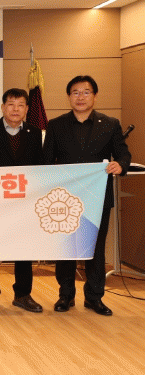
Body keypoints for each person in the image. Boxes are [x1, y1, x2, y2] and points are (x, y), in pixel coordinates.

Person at [43, 75, 130, 316]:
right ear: (69, 96)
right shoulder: (56, 125)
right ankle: (65, 295)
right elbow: (46, 160)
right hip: (64, 200)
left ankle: (94, 297)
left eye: (86, 92)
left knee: (96, 248)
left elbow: (123, 155)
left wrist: (120, 165)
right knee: (66, 248)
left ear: (95, 96)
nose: (80, 97)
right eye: (75, 92)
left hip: (97, 197)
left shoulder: (110, 124)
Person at [0, 88, 43, 313]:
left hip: (25, 202)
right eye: (11, 104)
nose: (15, 109)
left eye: (20, 105)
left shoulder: (35, 133)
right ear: (3, 107)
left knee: (24, 248)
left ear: (27, 109)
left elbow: (40, 168)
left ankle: (22, 294)